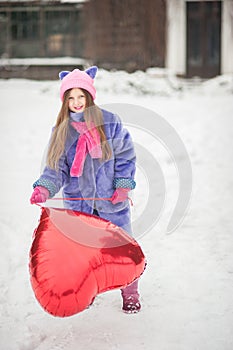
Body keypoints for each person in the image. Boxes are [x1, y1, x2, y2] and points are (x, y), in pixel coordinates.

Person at [30, 66, 141, 313]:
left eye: (81, 96)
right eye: (71, 98)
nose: (77, 103)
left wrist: (123, 185)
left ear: (90, 96)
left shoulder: (109, 122)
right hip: (79, 205)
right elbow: (55, 167)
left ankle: (130, 291)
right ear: (64, 101)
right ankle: (86, 291)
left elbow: (125, 156)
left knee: (121, 247)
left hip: (110, 201)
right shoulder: (61, 130)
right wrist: (44, 189)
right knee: (84, 253)